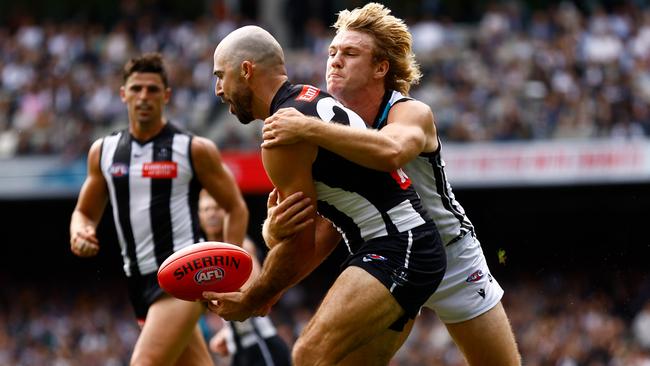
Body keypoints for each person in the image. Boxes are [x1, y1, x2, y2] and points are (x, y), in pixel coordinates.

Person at [260, 3, 520, 365]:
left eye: (350, 53)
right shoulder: (324, 115)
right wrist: (275, 229)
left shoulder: (410, 112)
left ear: (381, 67)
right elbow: (329, 226)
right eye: (333, 52)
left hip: (453, 257)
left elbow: (391, 151)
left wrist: (308, 128)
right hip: (389, 257)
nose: (335, 61)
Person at [203, 25, 447, 365]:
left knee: (308, 356)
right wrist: (269, 286)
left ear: (246, 71)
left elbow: (300, 244)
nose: (217, 89)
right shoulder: (310, 97)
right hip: (407, 246)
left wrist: (252, 297)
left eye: (220, 76)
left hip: (397, 247)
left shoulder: (281, 133)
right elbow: (324, 231)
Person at [69, 52, 249, 366]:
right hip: (137, 280)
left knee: (145, 362)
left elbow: (235, 207)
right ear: (123, 94)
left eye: (153, 89)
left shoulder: (193, 148)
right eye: (136, 89)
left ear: (166, 96)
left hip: (183, 277)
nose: (144, 96)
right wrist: (79, 232)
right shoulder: (104, 151)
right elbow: (84, 213)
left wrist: (225, 276)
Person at [197, 189, 292, 366]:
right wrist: (228, 332)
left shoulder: (242, 247)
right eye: (206, 209)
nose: (211, 214)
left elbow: (255, 298)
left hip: (260, 345)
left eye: (216, 208)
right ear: (199, 215)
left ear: (226, 212)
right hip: (238, 350)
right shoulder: (203, 252)